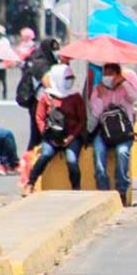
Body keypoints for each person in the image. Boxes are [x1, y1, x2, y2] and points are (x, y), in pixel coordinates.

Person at [22, 65, 86, 195]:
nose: (70, 80)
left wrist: (71, 137)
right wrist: (47, 135)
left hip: (70, 136)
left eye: (71, 78)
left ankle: (76, 188)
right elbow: (39, 117)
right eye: (67, 78)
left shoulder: (75, 97)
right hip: (51, 137)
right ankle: (30, 183)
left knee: (72, 160)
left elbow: (82, 120)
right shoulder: (47, 97)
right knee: (45, 155)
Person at [89, 63, 137, 202]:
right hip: (105, 131)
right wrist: (100, 97)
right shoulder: (97, 89)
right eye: (105, 73)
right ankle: (103, 190)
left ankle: (122, 189)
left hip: (123, 131)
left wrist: (124, 83)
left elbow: (136, 98)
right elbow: (96, 113)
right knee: (99, 152)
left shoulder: (125, 87)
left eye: (110, 74)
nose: (107, 77)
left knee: (122, 152)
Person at [19, 37, 60, 149]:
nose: (56, 52)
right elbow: (48, 84)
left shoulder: (51, 62)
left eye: (57, 48)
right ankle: (29, 163)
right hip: (38, 104)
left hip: (46, 103)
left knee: (40, 136)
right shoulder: (40, 64)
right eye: (54, 49)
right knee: (37, 136)